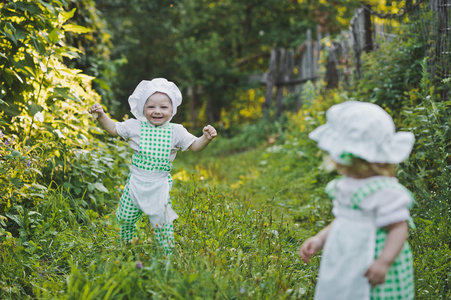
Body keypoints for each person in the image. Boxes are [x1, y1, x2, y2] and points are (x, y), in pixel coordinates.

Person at [299, 101, 415, 300]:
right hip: (346, 257)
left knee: (368, 293)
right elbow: (343, 219)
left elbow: (398, 227)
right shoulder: (346, 185)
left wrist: (384, 261)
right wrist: (320, 239)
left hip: (372, 258)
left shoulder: (385, 191)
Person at [88, 78, 217, 254]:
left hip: (159, 185)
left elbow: (194, 145)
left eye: (163, 107)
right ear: (143, 108)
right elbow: (113, 129)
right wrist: (102, 116)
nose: (157, 111)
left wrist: (206, 139)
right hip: (135, 183)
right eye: (151, 107)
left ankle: (167, 254)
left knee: (161, 221)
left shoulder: (176, 131)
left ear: (172, 110)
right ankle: (127, 246)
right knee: (124, 217)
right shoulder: (135, 126)